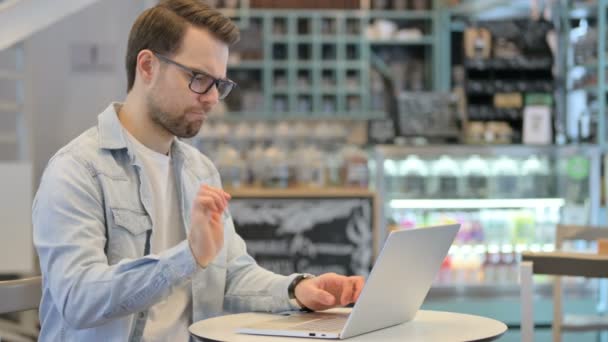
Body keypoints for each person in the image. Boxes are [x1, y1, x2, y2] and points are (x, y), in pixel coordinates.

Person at [32, 0, 365, 340]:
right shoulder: (77, 170)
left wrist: (297, 290)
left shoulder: (199, 170)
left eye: (219, 84)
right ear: (147, 66)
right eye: (199, 78)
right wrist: (187, 257)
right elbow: (77, 299)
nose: (211, 99)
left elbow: (230, 276)